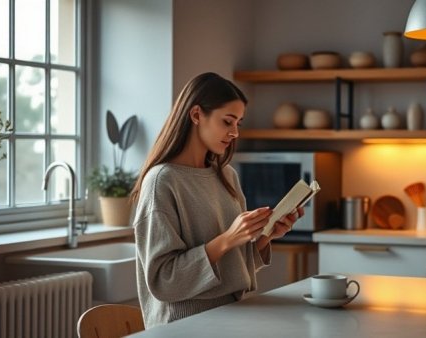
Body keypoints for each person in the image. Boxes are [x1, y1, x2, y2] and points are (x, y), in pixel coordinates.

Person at [130, 72, 304, 328]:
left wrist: (265, 235)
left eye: (239, 124)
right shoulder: (162, 182)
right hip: (182, 327)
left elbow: (232, 269)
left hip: (230, 318)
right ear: (197, 115)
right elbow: (164, 280)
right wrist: (228, 239)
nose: (234, 132)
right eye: (227, 121)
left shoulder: (225, 175)